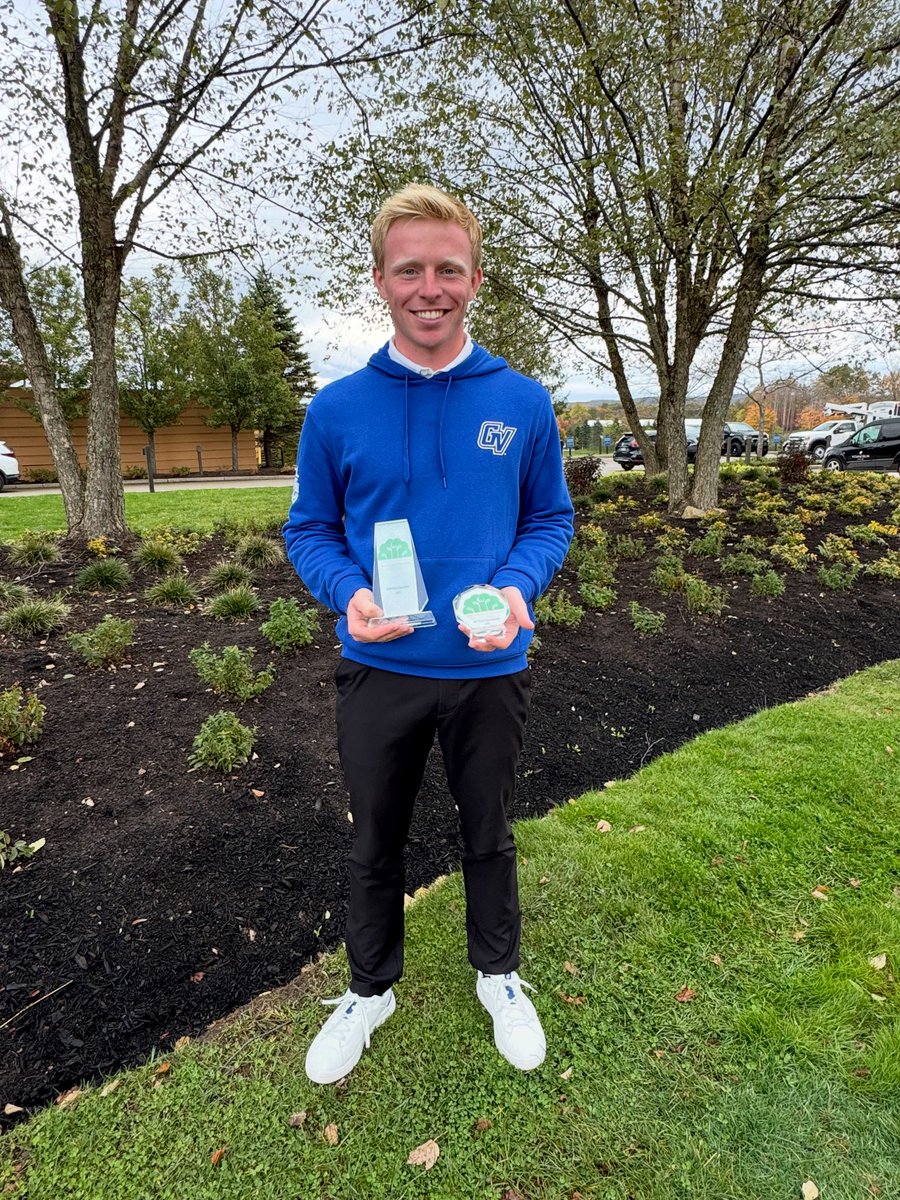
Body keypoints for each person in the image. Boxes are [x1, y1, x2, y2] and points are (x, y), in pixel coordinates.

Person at [283, 183, 574, 1085]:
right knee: (375, 837)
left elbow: (549, 521)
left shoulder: (523, 403)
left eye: (448, 268)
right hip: (379, 665)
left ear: (475, 279)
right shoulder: (336, 410)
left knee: (487, 830)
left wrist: (519, 591)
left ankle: (499, 975)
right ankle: (370, 989)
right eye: (410, 268)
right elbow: (309, 530)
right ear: (380, 280)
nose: (429, 286)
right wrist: (348, 594)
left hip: (491, 669)